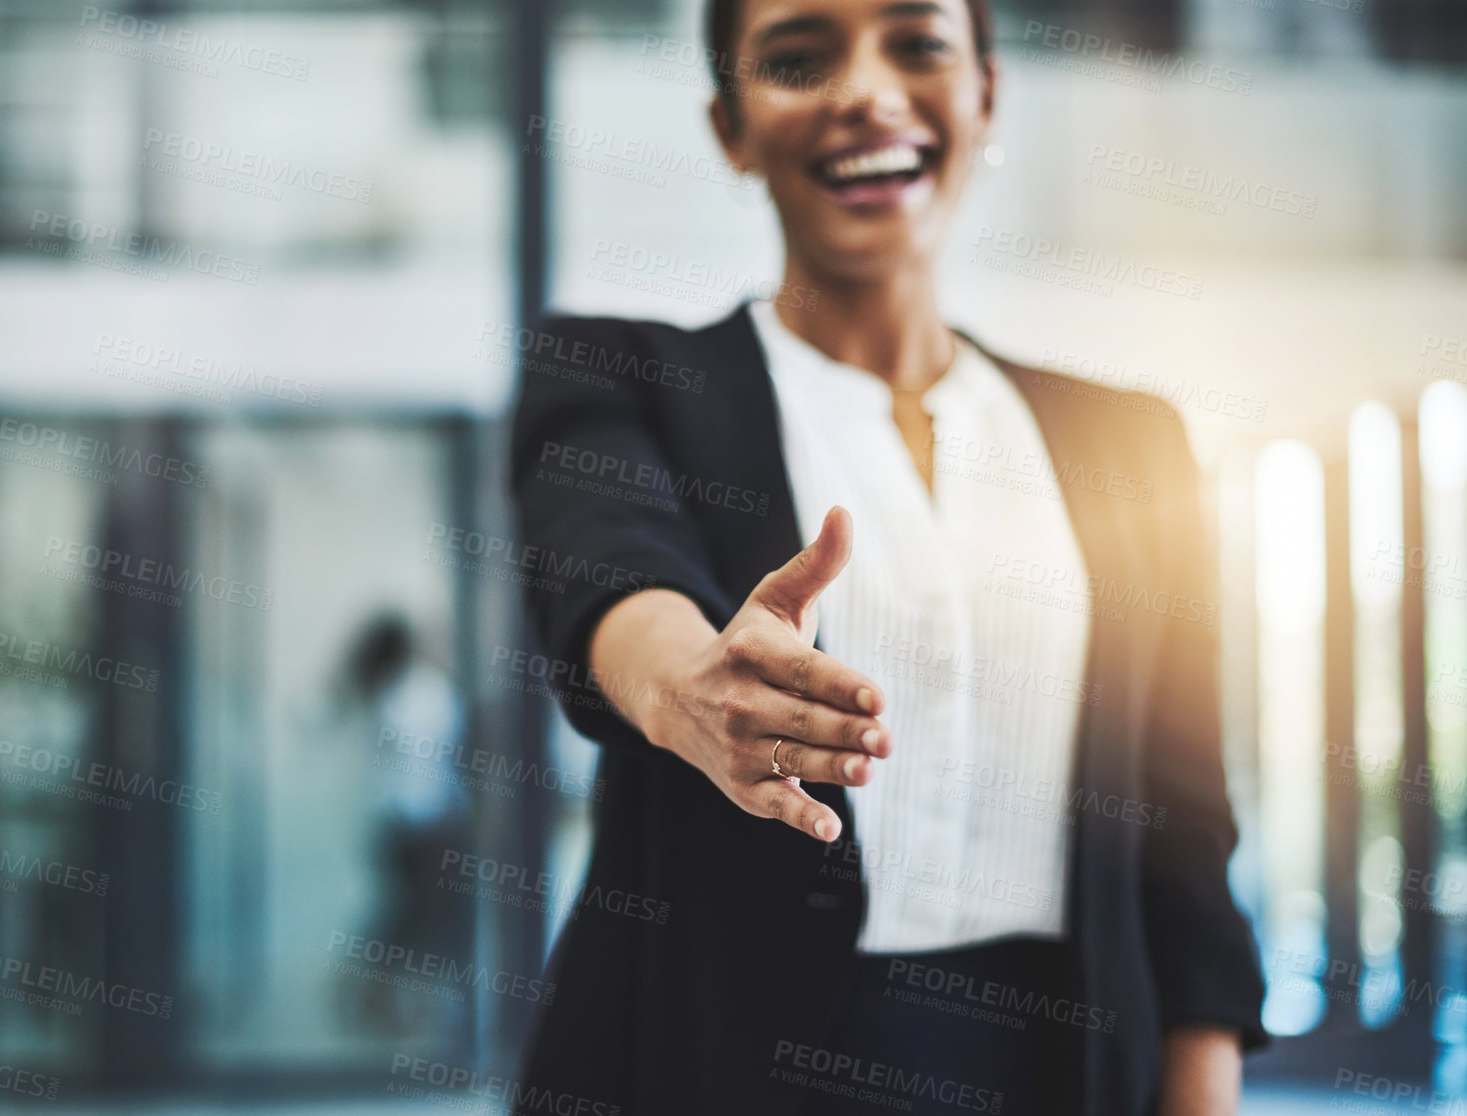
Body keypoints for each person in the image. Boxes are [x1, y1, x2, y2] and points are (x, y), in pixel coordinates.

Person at [505, 1, 1268, 1113]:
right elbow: (607, 573)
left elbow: (1185, 842)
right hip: (718, 1064)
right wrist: (691, 688)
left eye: (916, 43)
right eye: (800, 57)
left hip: (1057, 1068)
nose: (865, 90)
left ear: (985, 95)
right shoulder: (618, 378)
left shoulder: (1132, 447)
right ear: (730, 126)